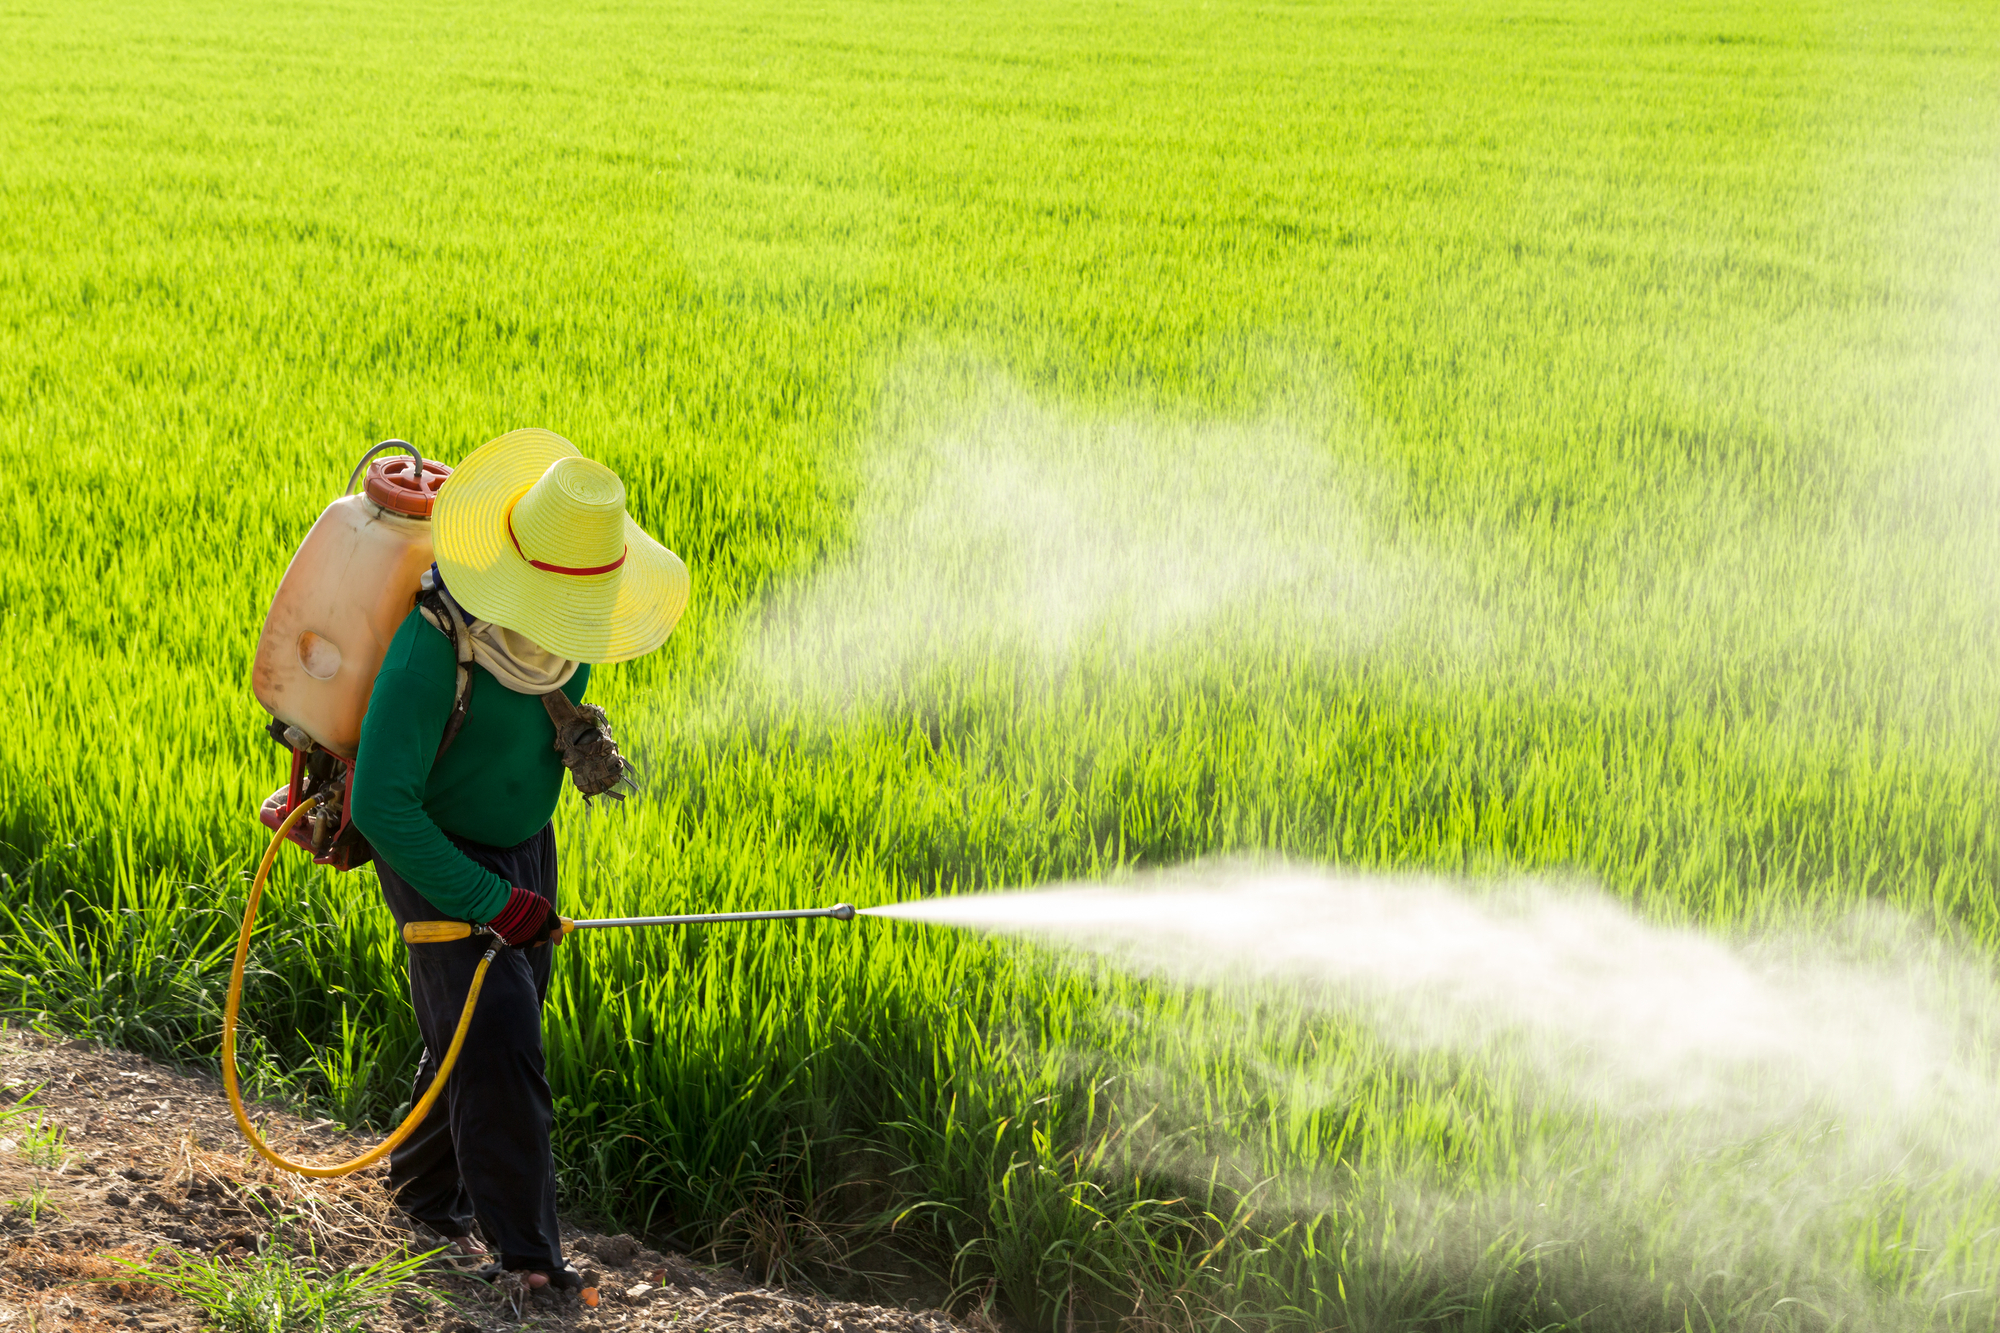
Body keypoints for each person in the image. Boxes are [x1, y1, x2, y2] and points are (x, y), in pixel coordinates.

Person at [350, 428, 689, 1289]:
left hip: (525, 847)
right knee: (499, 1031)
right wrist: (487, 899)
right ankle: (529, 1260)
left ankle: (425, 1196)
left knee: (484, 1022)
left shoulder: (565, 635)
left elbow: (527, 716)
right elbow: (380, 803)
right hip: (435, 847)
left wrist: (573, 732)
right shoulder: (435, 645)